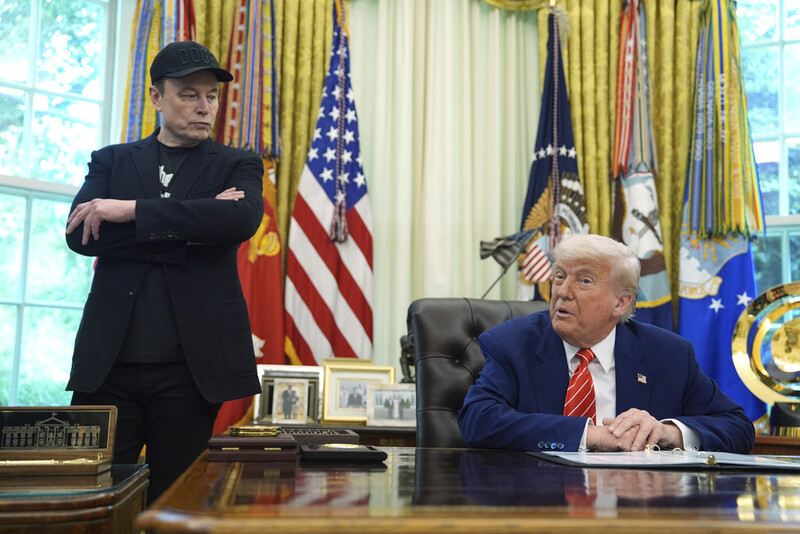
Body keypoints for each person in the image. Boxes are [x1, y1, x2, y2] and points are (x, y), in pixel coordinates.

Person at [64, 41, 263, 504]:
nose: (204, 107)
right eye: (189, 94)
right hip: (107, 364)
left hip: (191, 369)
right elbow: (81, 237)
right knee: (87, 499)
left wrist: (130, 211)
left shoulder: (237, 163)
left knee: (174, 503)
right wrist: (193, 224)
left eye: (211, 96)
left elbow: (238, 221)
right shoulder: (111, 160)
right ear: (156, 97)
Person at [458, 234, 755, 454]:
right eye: (559, 276)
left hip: (636, 511)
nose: (562, 290)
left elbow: (738, 427)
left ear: (620, 302)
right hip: (540, 505)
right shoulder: (513, 343)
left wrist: (666, 433)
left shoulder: (668, 355)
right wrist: (592, 435)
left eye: (584, 281)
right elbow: (478, 420)